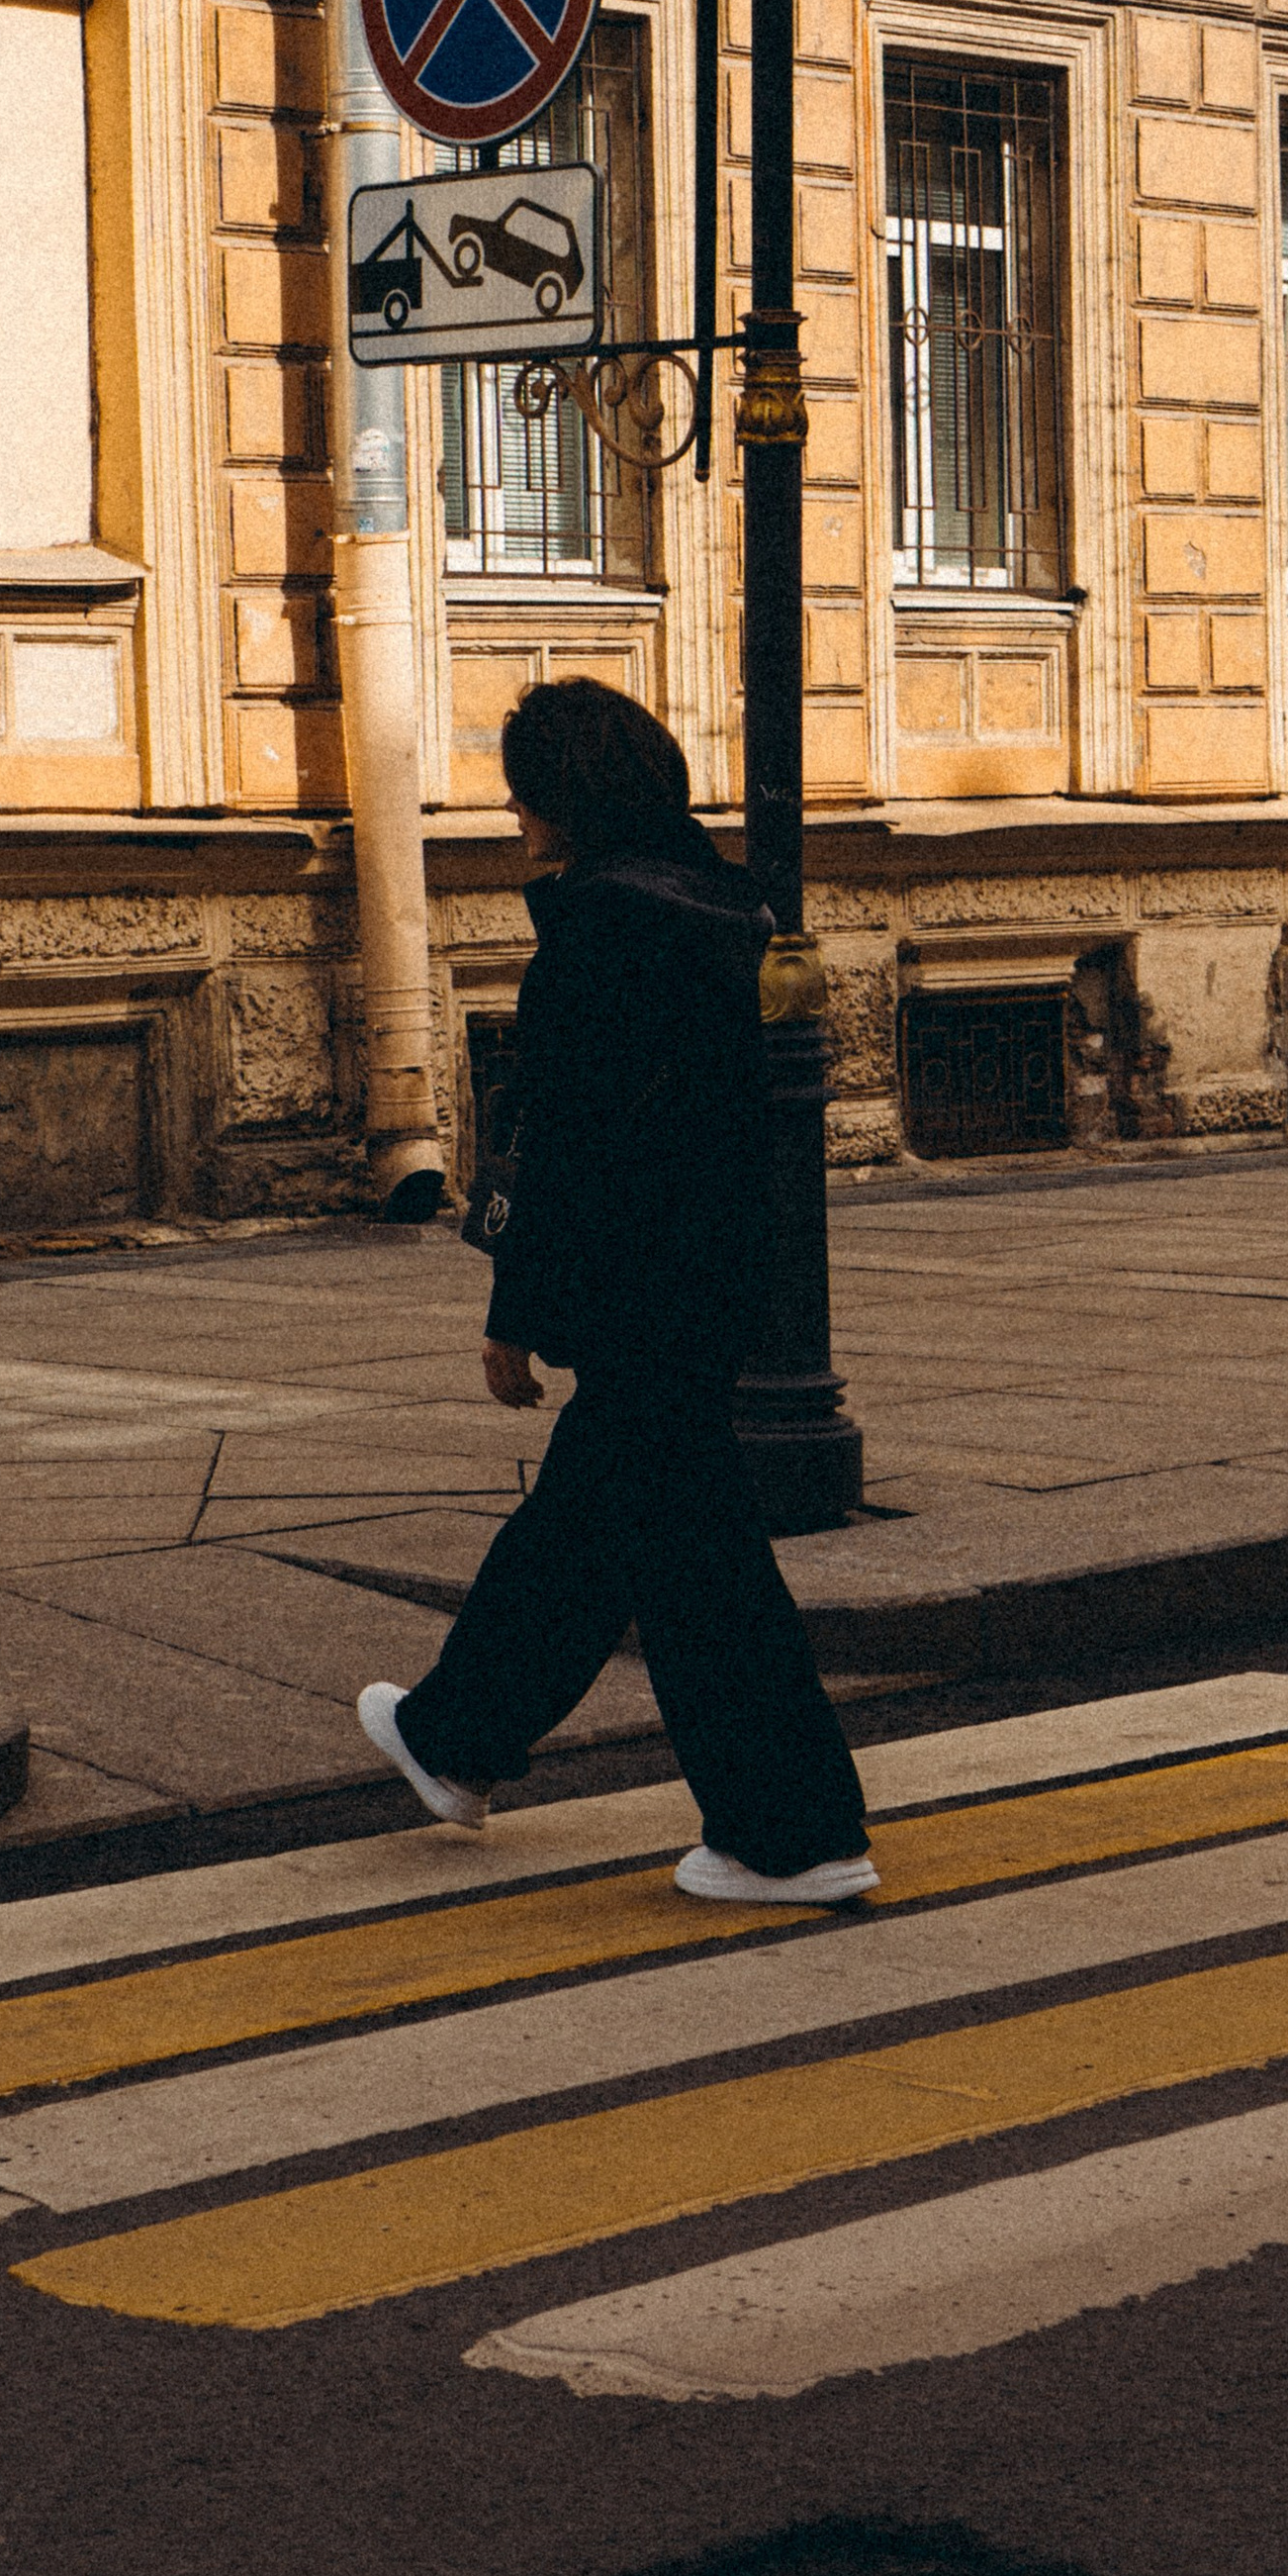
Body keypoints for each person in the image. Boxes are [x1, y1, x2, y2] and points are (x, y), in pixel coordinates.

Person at [358, 678, 877, 1904]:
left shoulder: (599, 929)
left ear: (564, 804)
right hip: (715, 1278)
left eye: (521, 798)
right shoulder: (724, 909)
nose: (514, 822)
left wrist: (515, 1314)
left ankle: (790, 1836)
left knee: (701, 1575)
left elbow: (573, 1146)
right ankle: (455, 1739)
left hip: (638, 1290)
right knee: (590, 1530)